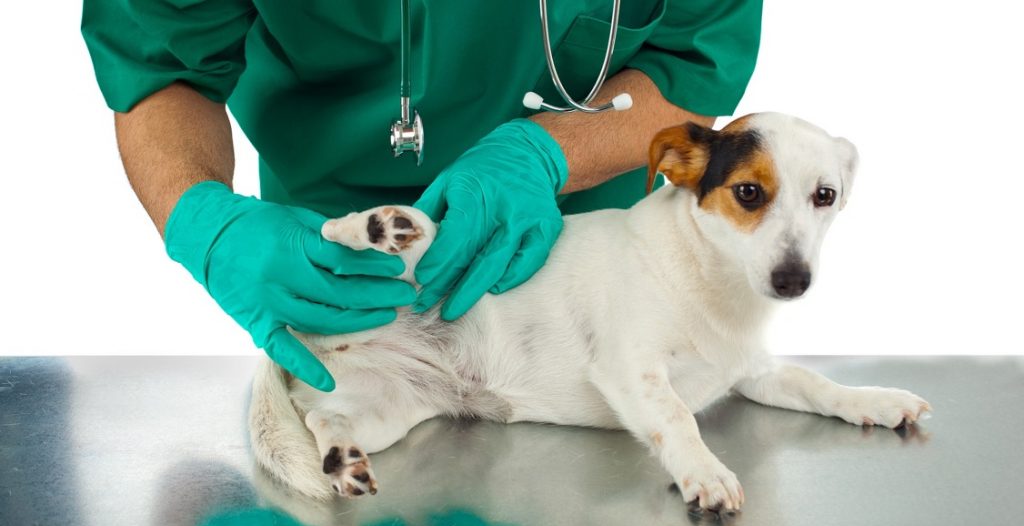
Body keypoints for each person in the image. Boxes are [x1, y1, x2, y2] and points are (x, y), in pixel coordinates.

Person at [81, 1, 761, 392]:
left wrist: (545, 155)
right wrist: (204, 220)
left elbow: (695, 59)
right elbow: (160, 62)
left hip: (576, 247)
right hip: (331, 251)